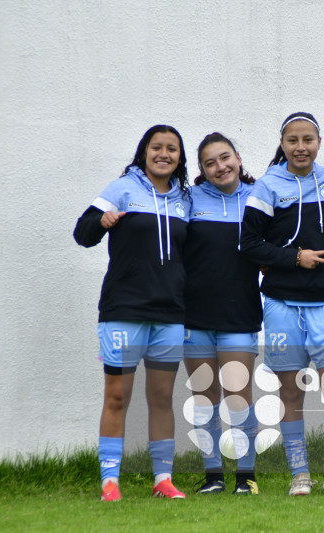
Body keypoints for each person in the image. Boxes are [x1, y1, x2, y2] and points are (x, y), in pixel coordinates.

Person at [73, 125, 191, 502]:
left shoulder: (184, 199)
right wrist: (102, 221)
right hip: (124, 309)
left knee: (161, 399)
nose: (164, 154)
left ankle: (163, 480)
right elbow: (83, 232)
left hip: (170, 314)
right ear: (144, 152)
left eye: (172, 149)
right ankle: (110, 480)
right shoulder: (122, 189)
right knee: (117, 397)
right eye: (157, 147)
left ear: (179, 158)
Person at [240, 112, 324, 495]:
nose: (300, 147)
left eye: (308, 139)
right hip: (282, 301)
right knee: (290, 391)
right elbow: (249, 245)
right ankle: (299, 474)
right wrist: (294, 258)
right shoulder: (269, 185)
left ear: (319, 141)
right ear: (282, 143)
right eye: (292, 140)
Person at [183, 132, 262, 495]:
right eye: (210, 163)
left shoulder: (260, 196)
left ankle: (246, 477)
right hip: (194, 317)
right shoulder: (189, 199)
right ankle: (213, 476)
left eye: (225, 157)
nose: (220, 167)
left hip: (240, 315)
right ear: (201, 170)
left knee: (238, 397)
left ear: (238, 157)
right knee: (204, 400)